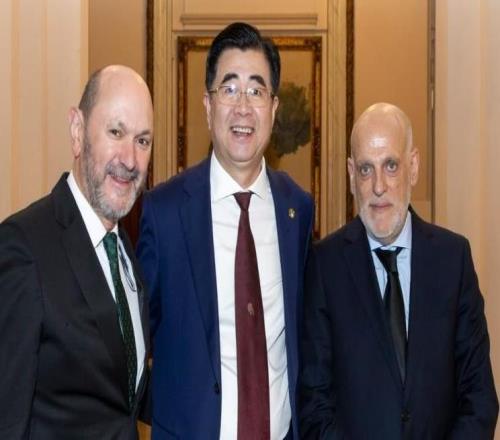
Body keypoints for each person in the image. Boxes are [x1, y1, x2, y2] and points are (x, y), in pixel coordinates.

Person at [137, 22, 314, 439]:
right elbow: (135, 341)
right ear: (208, 104)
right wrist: (176, 417)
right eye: (229, 89)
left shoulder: (298, 209)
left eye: (256, 91)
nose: (243, 107)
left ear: (273, 107)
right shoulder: (164, 213)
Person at [299, 102, 499, 439]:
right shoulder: (324, 266)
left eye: (391, 166)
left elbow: (479, 397)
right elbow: (314, 405)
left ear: (413, 166)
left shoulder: (453, 260)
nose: (378, 186)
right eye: (366, 169)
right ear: (351, 175)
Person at [0, 65, 154, 439]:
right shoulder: (24, 246)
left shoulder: (124, 251)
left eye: (143, 141)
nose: (130, 159)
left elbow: (118, 394)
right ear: (77, 131)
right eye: (116, 132)